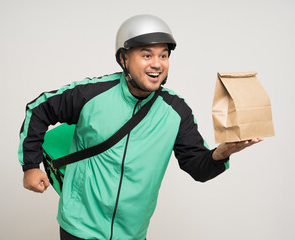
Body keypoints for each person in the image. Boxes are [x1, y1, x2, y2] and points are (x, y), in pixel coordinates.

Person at [18, 14, 262, 240]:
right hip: (78, 227)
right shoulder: (93, 94)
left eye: (163, 55)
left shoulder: (176, 112)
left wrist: (223, 152)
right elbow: (39, 110)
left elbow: (196, 167)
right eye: (147, 55)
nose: (157, 64)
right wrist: (30, 165)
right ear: (124, 58)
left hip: (132, 233)